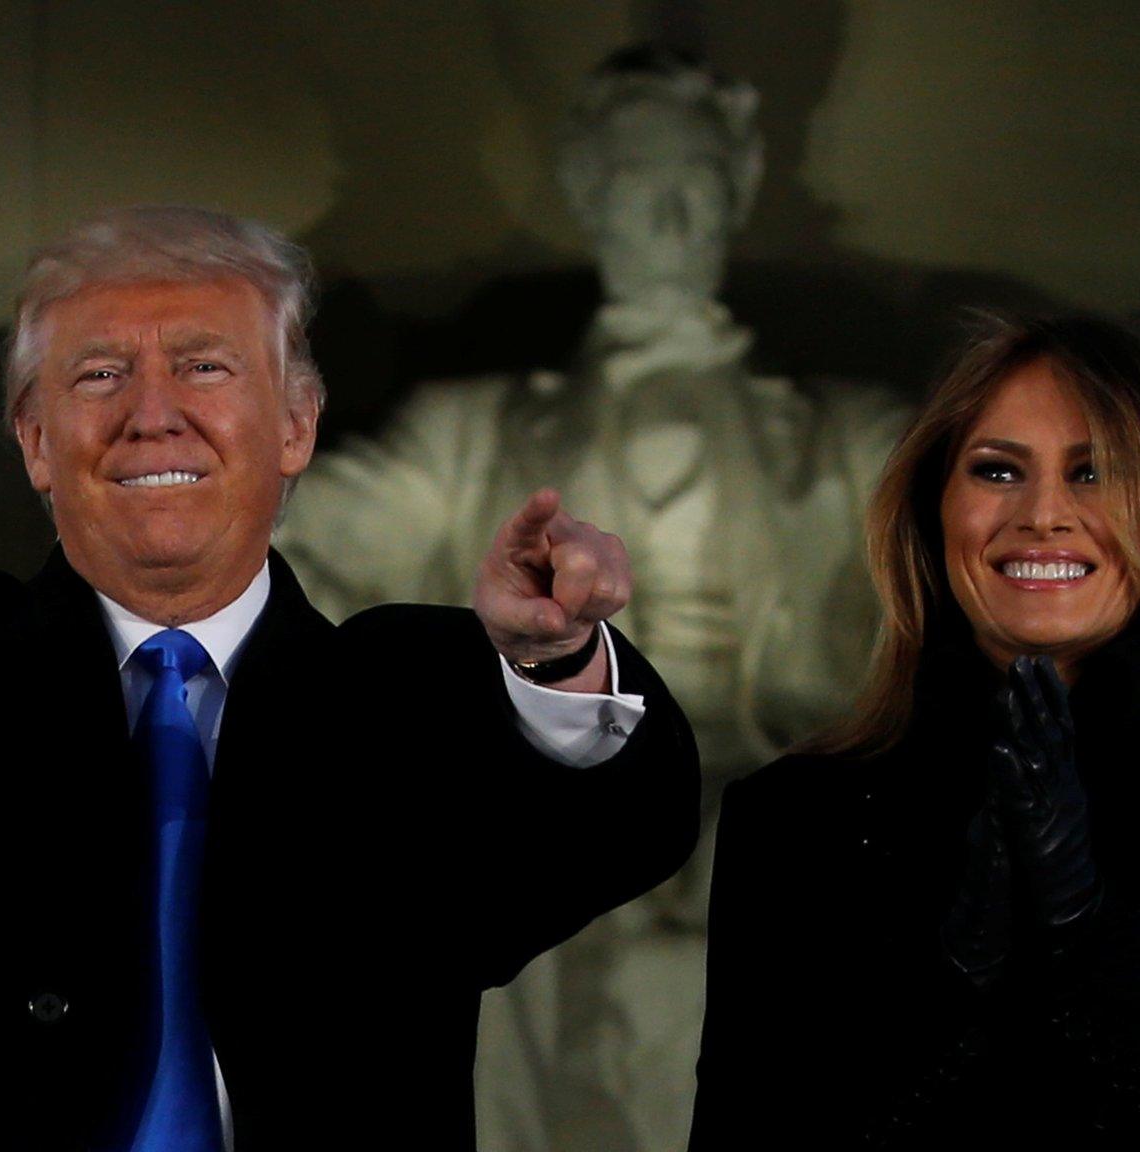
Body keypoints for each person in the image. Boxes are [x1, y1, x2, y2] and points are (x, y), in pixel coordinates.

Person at [0, 206, 699, 1151]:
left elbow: (613, 835)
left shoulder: (407, 698)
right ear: (34, 442)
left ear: (294, 426)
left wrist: (554, 660)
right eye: (99, 375)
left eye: (203, 366)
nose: (152, 414)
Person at [275, 46, 906, 1151]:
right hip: (549, 820)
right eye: (629, 183)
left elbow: (1018, 533)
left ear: (737, 189)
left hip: (781, 802)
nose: (663, 221)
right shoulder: (468, 432)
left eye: (693, 184)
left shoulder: (846, 437)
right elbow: (264, 541)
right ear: (584, 194)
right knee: (497, 912)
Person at [688, 313, 1140, 1149]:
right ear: (931, 509)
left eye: (1093, 472)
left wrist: (1088, 932)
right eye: (996, 470)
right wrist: (951, 978)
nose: (1044, 513)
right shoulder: (792, 820)